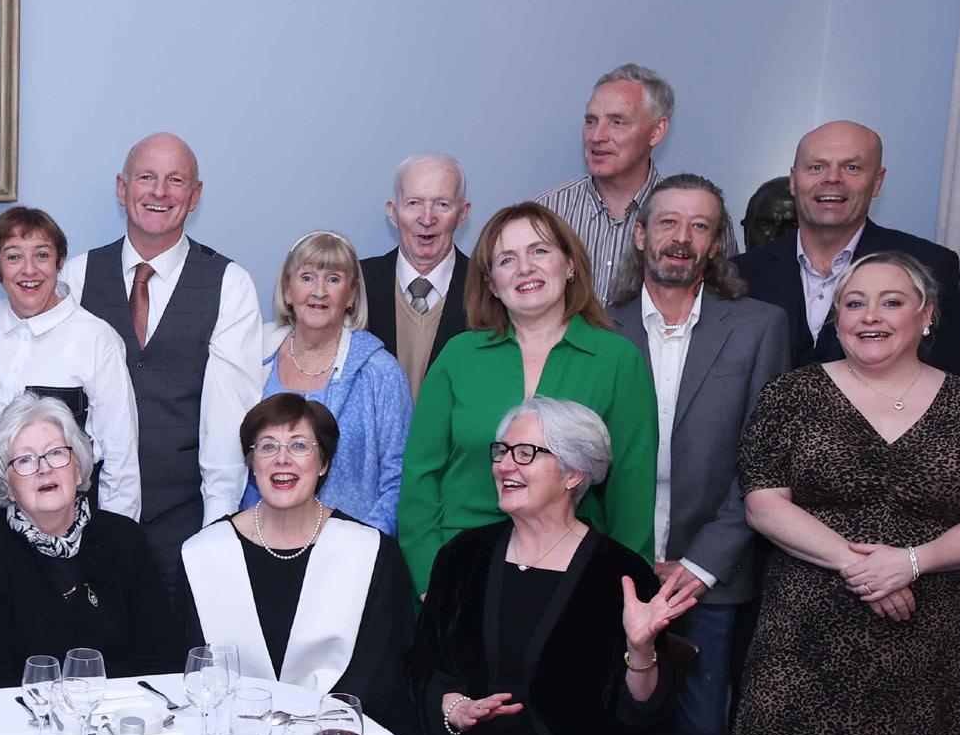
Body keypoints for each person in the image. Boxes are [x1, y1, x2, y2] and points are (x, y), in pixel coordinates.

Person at [723, 250, 960, 735]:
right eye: (854, 302)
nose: (870, 315)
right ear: (836, 318)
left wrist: (910, 562)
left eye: (890, 301)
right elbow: (763, 503)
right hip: (800, 648)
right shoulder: (791, 395)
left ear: (926, 316)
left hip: (915, 653)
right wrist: (863, 566)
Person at [407, 399, 697, 735]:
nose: (505, 464)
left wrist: (640, 650)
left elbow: (639, 715)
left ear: (574, 473)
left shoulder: (619, 574)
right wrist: (452, 707)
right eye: (502, 451)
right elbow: (423, 663)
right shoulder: (463, 556)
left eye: (526, 453)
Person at [603, 174, 791, 735]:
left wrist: (699, 565)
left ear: (716, 243)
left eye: (700, 226)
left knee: (698, 734)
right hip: (615, 564)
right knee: (613, 721)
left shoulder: (758, 326)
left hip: (709, 574)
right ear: (640, 234)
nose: (681, 239)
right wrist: (623, 557)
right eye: (667, 223)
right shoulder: (598, 324)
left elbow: (765, 465)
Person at [397, 201, 659, 592]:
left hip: (573, 575)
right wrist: (431, 580)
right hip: (458, 568)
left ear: (569, 265)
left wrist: (624, 592)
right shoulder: (458, 356)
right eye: (507, 259)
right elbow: (419, 477)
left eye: (539, 251)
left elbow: (632, 491)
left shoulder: (618, 360)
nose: (525, 268)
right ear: (491, 283)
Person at [58, 132, 264, 602]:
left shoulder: (229, 284)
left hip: (185, 516)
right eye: (146, 178)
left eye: (176, 181)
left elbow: (228, 418)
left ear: (195, 195)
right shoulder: (77, 276)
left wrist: (216, 530)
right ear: (121, 188)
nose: (159, 192)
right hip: (87, 515)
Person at [181, 394, 416, 727]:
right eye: (267, 447)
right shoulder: (203, 555)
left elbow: (383, 676)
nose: (282, 459)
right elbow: (193, 674)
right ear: (252, 464)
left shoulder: (371, 553)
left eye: (299, 446)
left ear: (323, 464)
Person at [0, 395, 177, 689]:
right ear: (7, 485)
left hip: (126, 708)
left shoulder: (125, 539)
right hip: (28, 712)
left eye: (56, 453)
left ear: (78, 468)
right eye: (25, 460)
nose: (44, 468)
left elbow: (162, 656)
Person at [731, 120, 960, 376]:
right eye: (817, 167)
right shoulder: (740, 273)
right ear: (794, 180)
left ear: (877, 182)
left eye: (851, 168)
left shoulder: (931, 266)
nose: (832, 178)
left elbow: (945, 381)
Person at [0, 205, 141, 520]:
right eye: (14, 257)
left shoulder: (96, 339)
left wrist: (118, 534)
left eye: (41, 255)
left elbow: (120, 454)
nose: (29, 270)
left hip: (67, 510)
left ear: (59, 262)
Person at [243, 230, 412, 534]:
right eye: (307, 277)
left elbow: (399, 478)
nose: (319, 291)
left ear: (351, 295)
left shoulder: (381, 373)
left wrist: (365, 546)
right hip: (260, 540)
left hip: (353, 546)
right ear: (287, 290)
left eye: (333, 279)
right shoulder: (253, 360)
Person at [533, 64, 731, 304]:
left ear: (657, 131)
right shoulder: (547, 212)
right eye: (591, 121)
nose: (597, 136)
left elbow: (723, 307)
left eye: (617, 122)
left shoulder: (701, 218)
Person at [361, 153, 474, 396]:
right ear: (393, 212)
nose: (427, 218)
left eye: (442, 204)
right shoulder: (355, 283)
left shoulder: (488, 289)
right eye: (414, 203)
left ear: (462, 214)